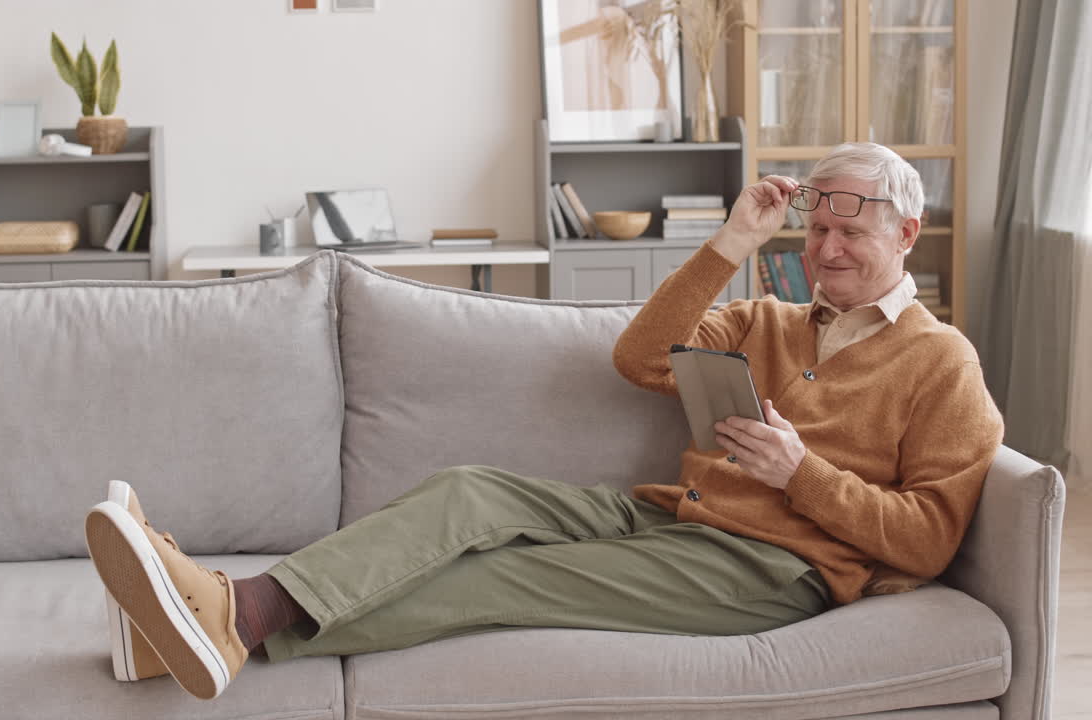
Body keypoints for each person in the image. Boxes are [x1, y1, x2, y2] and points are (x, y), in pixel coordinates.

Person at [83, 142, 1004, 700]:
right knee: (469, 495)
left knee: (504, 580)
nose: (829, 249)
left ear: (906, 237)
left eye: (853, 232)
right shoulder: (768, 318)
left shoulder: (941, 362)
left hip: (773, 568)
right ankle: (189, 628)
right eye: (818, 231)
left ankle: (229, 614)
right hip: (673, 512)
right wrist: (731, 244)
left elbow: (925, 539)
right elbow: (642, 357)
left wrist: (798, 472)